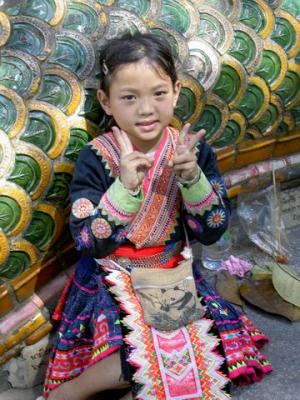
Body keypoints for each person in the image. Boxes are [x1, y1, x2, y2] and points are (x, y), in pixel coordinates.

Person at [42, 32, 272, 400]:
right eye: (129, 98)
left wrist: (192, 179)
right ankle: (72, 391)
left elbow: (212, 230)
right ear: (106, 101)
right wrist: (124, 190)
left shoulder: (190, 151)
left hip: (173, 276)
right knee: (130, 354)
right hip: (110, 280)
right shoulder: (96, 158)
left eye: (158, 94)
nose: (146, 109)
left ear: (176, 91)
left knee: (216, 346)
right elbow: (88, 241)